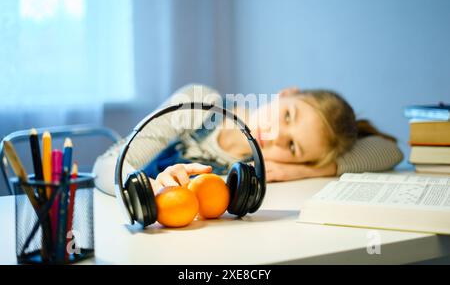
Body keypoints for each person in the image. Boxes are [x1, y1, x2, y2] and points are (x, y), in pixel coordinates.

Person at [93, 84, 403, 196]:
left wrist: (311, 170)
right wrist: (147, 188)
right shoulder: (199, 104)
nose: (277, 136)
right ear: (286, 93)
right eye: (287, 115)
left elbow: (390, 151)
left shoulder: (251, 173)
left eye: (293, 147)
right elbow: (106, 166)